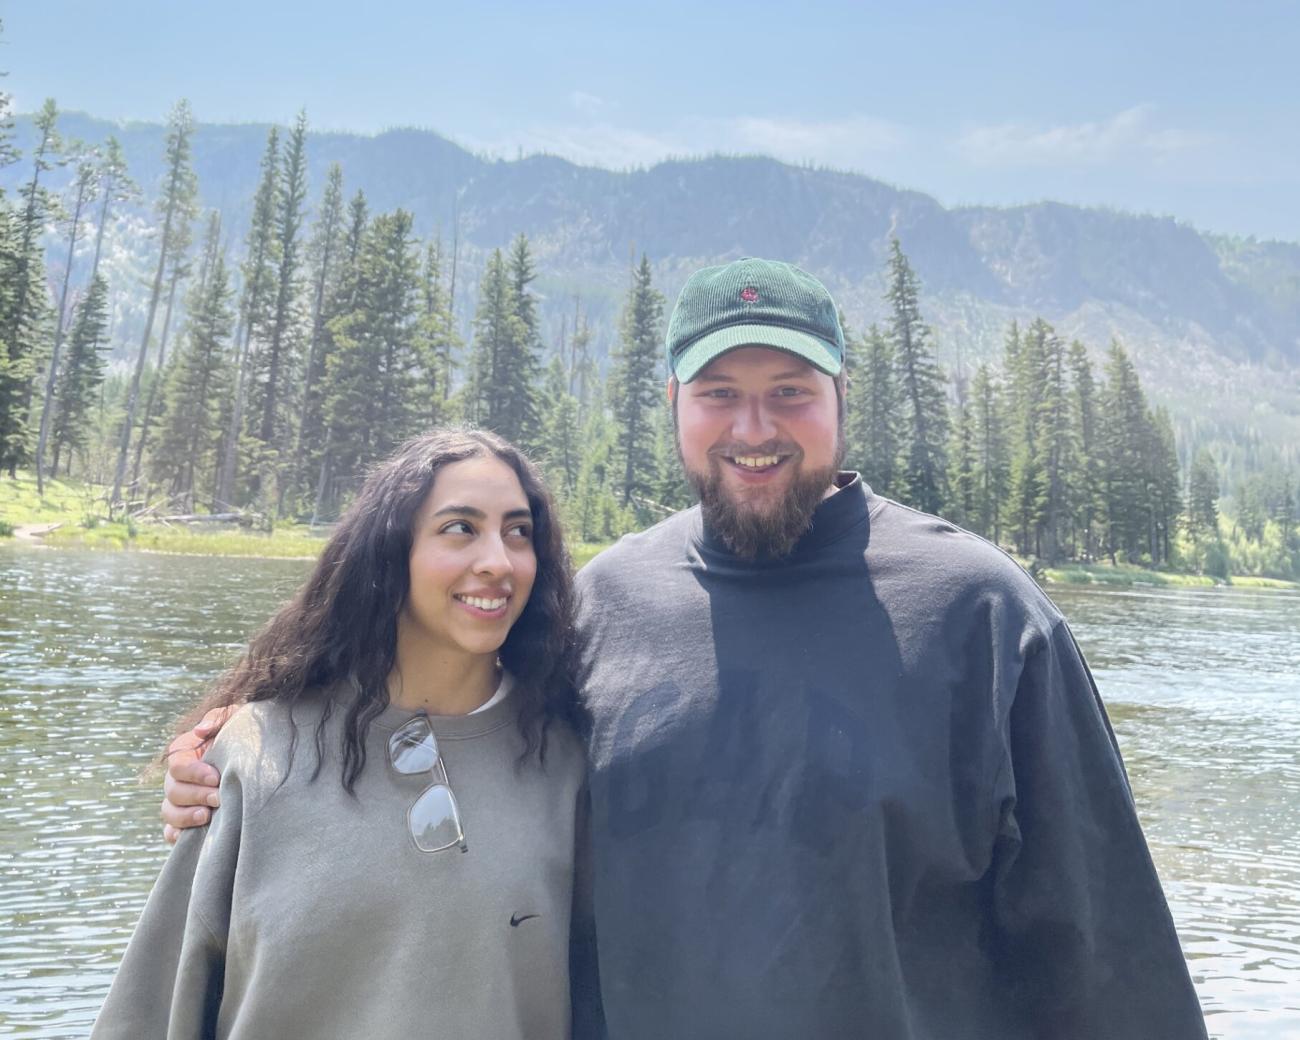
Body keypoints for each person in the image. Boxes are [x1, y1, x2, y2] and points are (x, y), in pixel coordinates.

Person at [163, 259, 1207, 1038]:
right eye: (718, 393)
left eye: (790, 390)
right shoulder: (599, 605)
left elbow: (1106, 951)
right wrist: (250, 751)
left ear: (841, 399)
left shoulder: (982, 614)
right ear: (672, 404)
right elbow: (449, 734)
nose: (754, 427)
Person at [95, 429, 592, 1039]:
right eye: (460, 527)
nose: (498, 561)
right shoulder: (257, 753)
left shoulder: (565, 763)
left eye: (518, 532)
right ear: (389, 551)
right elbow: (152, 1008)